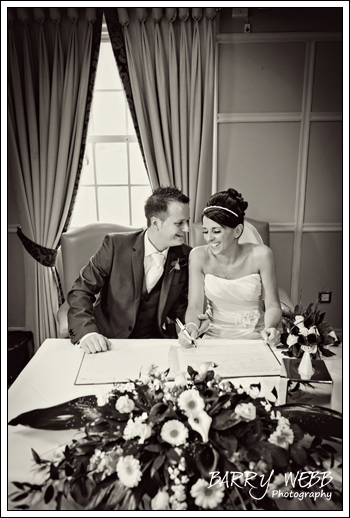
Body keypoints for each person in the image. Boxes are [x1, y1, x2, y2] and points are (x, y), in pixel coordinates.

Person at [67, 186, 206, 354]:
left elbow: (180, 307)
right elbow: (81, 291)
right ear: (156, 223)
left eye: (187, 221)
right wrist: (87, 334)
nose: (187, 229)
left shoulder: (185, 256)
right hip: (106, 343)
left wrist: (191, 326)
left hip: (153, 344)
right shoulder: (115, 245)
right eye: (179, 223)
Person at [178, 188, 282, 347]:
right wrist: (191, 327)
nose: (209, 238)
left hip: (256, 338)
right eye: (205, 231)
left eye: (216, 231)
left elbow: (273, 305)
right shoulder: (198, 256)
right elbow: (194, 306)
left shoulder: (262, 255)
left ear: (238, 231)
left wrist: (271, 328)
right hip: (214, 338)